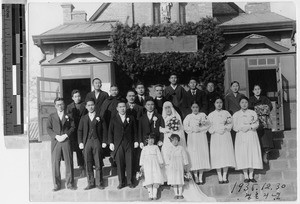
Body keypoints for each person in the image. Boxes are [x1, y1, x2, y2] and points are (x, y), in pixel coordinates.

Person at [108, 100, 139, 189]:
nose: (122, 108)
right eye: (120, 107)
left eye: (124, 107)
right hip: (118, 144)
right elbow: (110, 131)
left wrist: (136, 140)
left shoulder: (131, 117)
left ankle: (130, 181)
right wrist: (110, 143)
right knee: (120, 163)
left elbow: (135, 130)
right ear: (117, 108)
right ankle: (121, 182)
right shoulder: (113, 119)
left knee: (129, 162)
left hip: (129, 143)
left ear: (126, 108)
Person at [77, 98, 107, 190]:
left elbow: (104, 130)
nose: (91, 107)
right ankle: (90, 183)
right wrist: (80, 142)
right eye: (89, 105)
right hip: (87, 142)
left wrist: (104, 141)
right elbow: (80, 130)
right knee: (88, 163)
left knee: (98, 163)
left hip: (97, 140)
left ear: (95, 106)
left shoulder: (100, 117)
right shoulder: (83, 118)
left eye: (92, 105)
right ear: (86, 107)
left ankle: (99, 183)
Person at [46, 97, 75, 191]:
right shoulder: (51, 116)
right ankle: (56, 184)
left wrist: (66, 135)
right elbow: (48, 128)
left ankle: (70, 183)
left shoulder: (69, 116)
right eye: (58, 104)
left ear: (64, 105)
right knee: (55, 162)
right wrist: (56, 136)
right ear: (55, 106)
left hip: (66, 140)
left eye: (61, 104)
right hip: (56, 141)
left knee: (69, 161)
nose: (60, 106)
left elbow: (73, 127)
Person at [233, 96, 263, 183]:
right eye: (242, 102)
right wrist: (242, 128)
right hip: (241, 135)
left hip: (251, 134)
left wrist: (249, 127)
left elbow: (256, 124)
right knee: (243, 154)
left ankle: (251, 175)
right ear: (239, 104)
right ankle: (246, 175)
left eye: (246, 102)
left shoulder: (252, 113)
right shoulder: (236, 114)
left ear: (248, 103)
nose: (244, 104)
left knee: (251, 153)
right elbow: (234, 126)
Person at [207, 97, 236, 184]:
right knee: (218, 155)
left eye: (220, 102)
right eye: (217, 102)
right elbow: (208, 126)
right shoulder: (211, 114)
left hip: (225, 135)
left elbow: (231, 123)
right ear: (214, 104)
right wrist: (215, 130)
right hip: (216, 136)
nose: (219, 104)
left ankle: (225, 175)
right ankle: (219, 176)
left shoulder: (226, 113)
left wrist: (225, 128)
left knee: (225, 153)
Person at [183, 102, 210, 185]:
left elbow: (208, 125)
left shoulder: (203, 115)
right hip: (192, 137)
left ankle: (201, 176)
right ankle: (196, 177)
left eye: (197, 107)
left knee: (201, 155)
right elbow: (185, 127)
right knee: (194, 156)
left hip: (201, 137)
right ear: (191, 108)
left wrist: (201, 129)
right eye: (193, 107)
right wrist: (193, 129)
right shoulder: (188, 117)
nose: (195, 109)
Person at [160, 101, 186, 182]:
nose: (168, 110)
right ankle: (167, 178)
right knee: (167, 157)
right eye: (166, 108)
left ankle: (177, 178)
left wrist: (174, 130)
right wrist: (166, 130)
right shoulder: (162, 118)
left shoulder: (176, 117)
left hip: (174, 138)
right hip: (166, 139)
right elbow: (159, 128)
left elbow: (180, 129)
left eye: (169, 107)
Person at [249, 84, 274, 164]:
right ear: (253, 91)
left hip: (265, 120)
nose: (257, 91)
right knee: (258, 136)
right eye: (255, 89)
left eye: (258, 89)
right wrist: (262, 108)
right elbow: (251, 108)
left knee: (266, 135)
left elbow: (269, 106)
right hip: (256, 120)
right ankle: (258, 155)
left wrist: (258, 108)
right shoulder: (251, 99)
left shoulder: (265, 98)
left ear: (261, 90)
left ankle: (266, 153)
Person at [66, 90, 87, 177]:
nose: (77, 98)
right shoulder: (69, 106)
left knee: (85, 147)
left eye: (78, 96)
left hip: (84, 129)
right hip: (74, 131)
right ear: (72, 98)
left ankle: (87, 165)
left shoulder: (85, 105)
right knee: (78, 149)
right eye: (75, 96)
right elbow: (68, 118)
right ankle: (81, 167)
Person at [139, 133, 164, 200]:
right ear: (146, 140)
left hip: (155, 164)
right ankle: (150, 195)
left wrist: (161, 162)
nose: (151, 141)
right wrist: (142, 165)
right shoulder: (144, 148)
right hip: (147, 165)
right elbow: (142, 157)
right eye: (149, 139)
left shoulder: (156, 147)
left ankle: (154, 195)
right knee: (148, 179)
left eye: (152, 139)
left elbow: (159, 155)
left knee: (156, 178)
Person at [165, 134, 189, 200]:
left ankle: (180, 194)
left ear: (178, 140)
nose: (175, 142)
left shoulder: (181, 148)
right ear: (171, 141)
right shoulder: (169, 148)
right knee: (174, 179)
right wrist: (168, 164)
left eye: (176, 140)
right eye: (173, 140)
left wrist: (186, 164)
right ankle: (176, 194)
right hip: (172, 166)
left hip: (179, 165)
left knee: (179, 179)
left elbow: (184, 156)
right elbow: (167, 157)